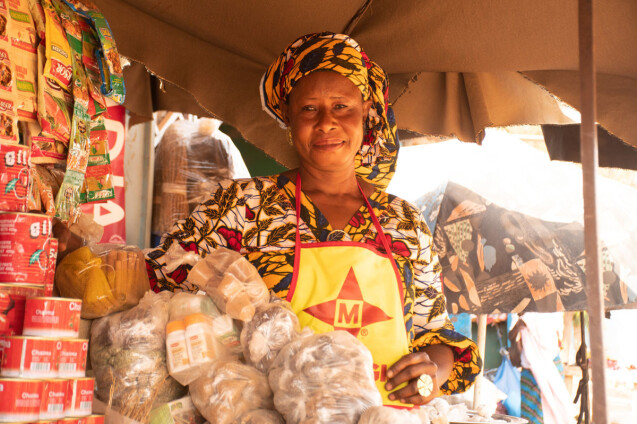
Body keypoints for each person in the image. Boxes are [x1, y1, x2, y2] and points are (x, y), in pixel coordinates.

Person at [146, 32, 481, 406]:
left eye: (341, 106)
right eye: (309, 109)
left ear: (367, 113)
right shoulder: (244, 205)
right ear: (288, 118)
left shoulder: (404, 222)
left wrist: (432, 374)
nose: (326, 122)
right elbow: (158, 278)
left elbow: (432, 333)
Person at [508, 313, 573, 424]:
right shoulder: (526, 316)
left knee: (547, 414)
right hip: (532, 371)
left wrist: (521, 321)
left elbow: (512, 334)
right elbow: (511, 335)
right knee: (534, 416)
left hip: (546, 369)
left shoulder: (534, 315)